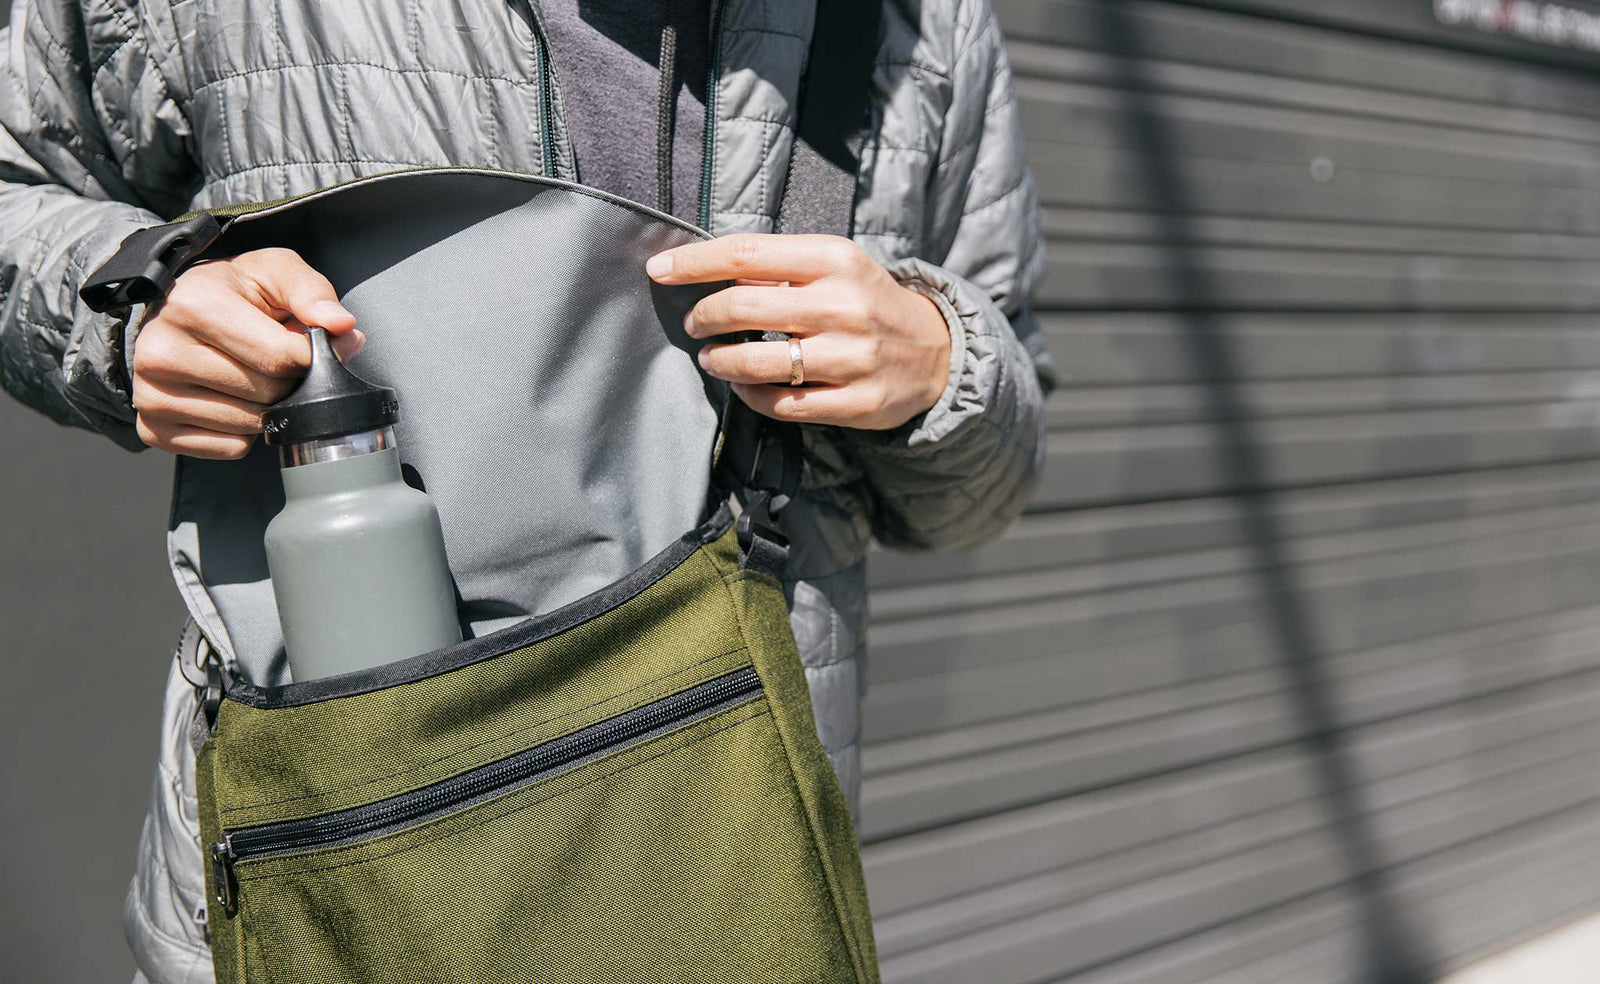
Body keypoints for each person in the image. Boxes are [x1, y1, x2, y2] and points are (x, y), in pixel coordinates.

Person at [0, 1, 1049, 980]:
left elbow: (974, 495)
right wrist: (133, 302)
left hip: (729, 855)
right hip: (340, 848)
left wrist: (939, 362)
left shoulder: (921, 27)